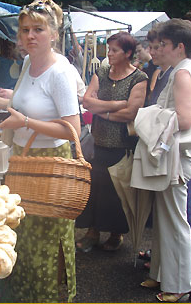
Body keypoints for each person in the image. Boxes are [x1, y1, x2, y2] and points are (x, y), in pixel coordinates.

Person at [0, 0, 80, 302]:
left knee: (45, 239)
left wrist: (25, 120)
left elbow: (73, 130)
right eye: (25, 30)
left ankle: (47, 298)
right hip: (22, 158)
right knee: (21, 234)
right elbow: (28, 104)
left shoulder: (61, 74)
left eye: (39, 30)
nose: (30, 36)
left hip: (49, 164)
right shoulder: (30, 62)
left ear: (54, 33)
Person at [135, 18, 191, 302]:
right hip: (175, 154)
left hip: (176, 155)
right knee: (167, 219)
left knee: (175, 222)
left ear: (179, 47)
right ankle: (163, 274)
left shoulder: (182, 73)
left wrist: (150, 117)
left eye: (163, 44)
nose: (158, 49)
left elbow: (185, 118)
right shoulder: (182, 70)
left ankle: (180, 285)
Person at [75, 32, 148, 252]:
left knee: (117, 192)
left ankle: (116, 233)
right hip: (98, 142)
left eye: (115, 50)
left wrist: (102, 109)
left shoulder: (139, 78)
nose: (110, 53)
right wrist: (118, 104)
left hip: (122, 145)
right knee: (94, 190)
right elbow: (87, 101)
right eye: (109, 49)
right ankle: (92, 232)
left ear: (127, 53)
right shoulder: (103, 71)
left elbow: (131, 114)